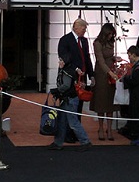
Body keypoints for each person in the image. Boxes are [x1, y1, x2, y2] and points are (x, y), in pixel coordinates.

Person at [49, 19, 93, 150]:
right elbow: (64, 57)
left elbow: (87, 58)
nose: (85, 31)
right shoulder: (65, 40)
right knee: (65, 115)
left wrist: (91, 74)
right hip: (69, 81)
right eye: (83, 28)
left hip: (79, 81)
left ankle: (82, 141)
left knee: (70, 115)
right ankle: (60, 141)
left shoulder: (84, 41)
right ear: (76, 27)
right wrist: (74, 68)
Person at [91, 22, 119, 141]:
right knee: (101, 102)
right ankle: (101, 128)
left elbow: (108, 57)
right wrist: (110, 72)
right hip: (102, 74)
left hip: (110, 70)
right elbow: (100, 61)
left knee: (110, 102)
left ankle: (109, 128)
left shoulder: (111, 42)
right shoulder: (97, 43)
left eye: (112, 35)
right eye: (109, 34)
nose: (111, 36)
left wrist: (114, 59)